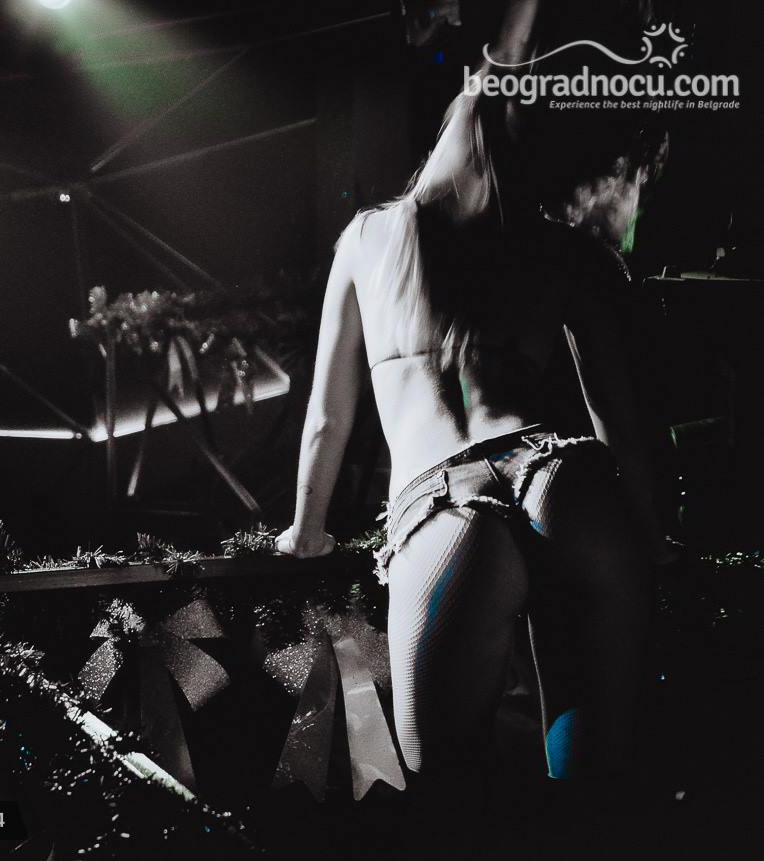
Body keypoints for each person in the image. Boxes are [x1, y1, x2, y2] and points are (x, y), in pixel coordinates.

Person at [274, 0, 673, 832]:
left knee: (450, 815)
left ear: (439, 142)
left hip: (444, 508)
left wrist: (306, 532)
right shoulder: (556, 247)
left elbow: (326, 419)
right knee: (602, 803)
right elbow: (622, 426)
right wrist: (649, 543)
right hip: (567, 480)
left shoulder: (366, 240)